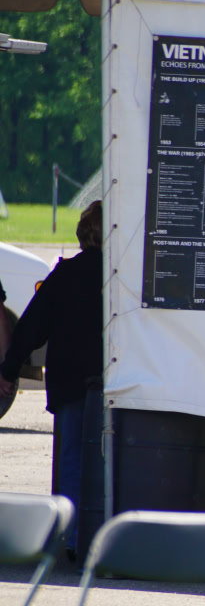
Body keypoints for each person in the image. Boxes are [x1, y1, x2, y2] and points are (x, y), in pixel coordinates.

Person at [0, 201, 103, 559]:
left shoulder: (65, 274)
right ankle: (102, 532)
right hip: (113, 380)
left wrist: (9, 368)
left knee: (71, 457)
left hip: (70, 378)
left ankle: (71, 538)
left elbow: (31, 327)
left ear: (83, 234)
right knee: (107, 457)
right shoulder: (124, 277)